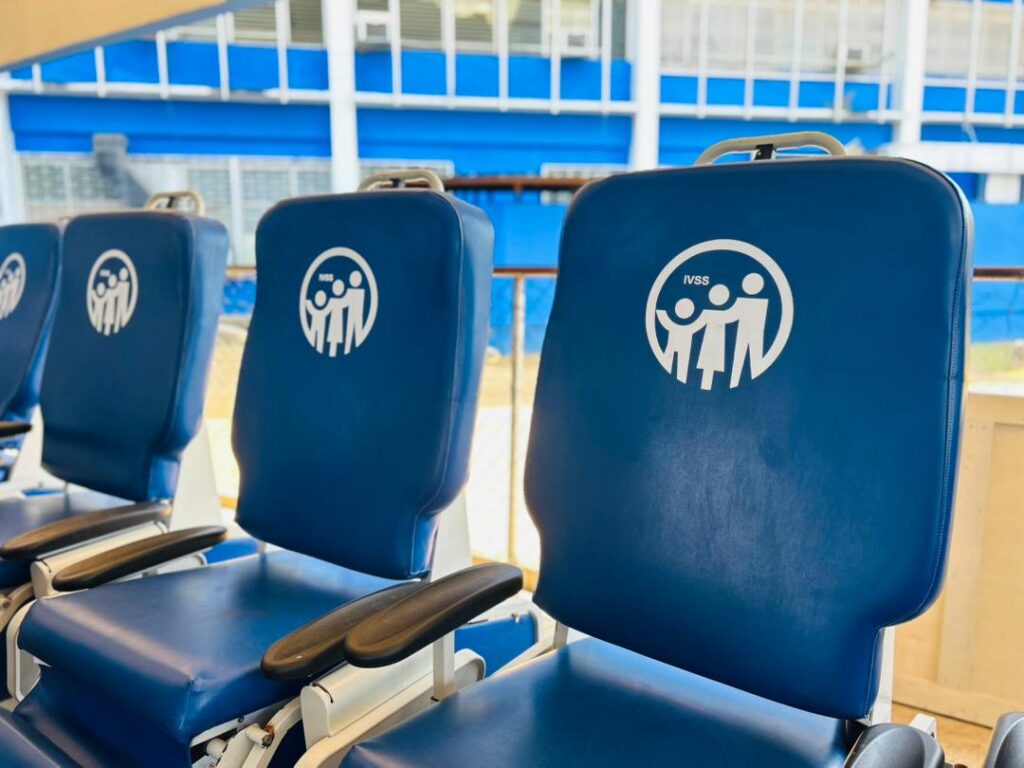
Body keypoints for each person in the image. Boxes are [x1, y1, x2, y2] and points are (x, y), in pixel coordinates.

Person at [729, 272, 770, 388]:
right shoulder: (761, 302)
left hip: (752, 334)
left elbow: (730, 315)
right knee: (746, 359)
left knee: (748, 358)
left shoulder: (747, 302)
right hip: (749, 334)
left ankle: (736, 382)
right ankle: (735, 382)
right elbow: (731, 315)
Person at [656, 298, 703, 383]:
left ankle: (680, 377)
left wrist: (661, 313)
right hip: (674, 346)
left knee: (681, 366)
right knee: (670, 362)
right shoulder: (689, 326)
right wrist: (661, 312)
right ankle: (678, 377)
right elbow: (664, 320)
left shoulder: (689, 326)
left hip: (684, 348)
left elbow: (664, 319)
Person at [695, 283, 732, 390]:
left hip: (717, 344)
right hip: (708, 344)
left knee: (711, 366)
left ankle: (708, 386)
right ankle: (706, 386)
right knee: (707, 366)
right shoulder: (708, 313)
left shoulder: (725, 313)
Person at [344, 270, 367, 355]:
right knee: (352, 334)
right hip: (353, 316)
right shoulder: (360, 292)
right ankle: (347, 349)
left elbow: (344, 303)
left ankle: (348, 349)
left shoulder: (357, 292)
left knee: (355, 334)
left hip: (356, 316)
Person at [325, 278, 349, 358]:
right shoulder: (332, 300)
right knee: (333, 339)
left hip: (338, 323)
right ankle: (332, 352)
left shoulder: (341, 300)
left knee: (335, 339)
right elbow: (326, 310)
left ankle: (333, 352)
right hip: (333, 324)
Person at [304, 289, 330, 353]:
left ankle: (319, 347)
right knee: (313, 337)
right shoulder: (316, 310)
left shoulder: (324, 310)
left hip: (321, 328)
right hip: (314, 327)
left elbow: (328, 309)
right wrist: (307, 302)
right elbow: (309, 307)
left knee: (320, 339)